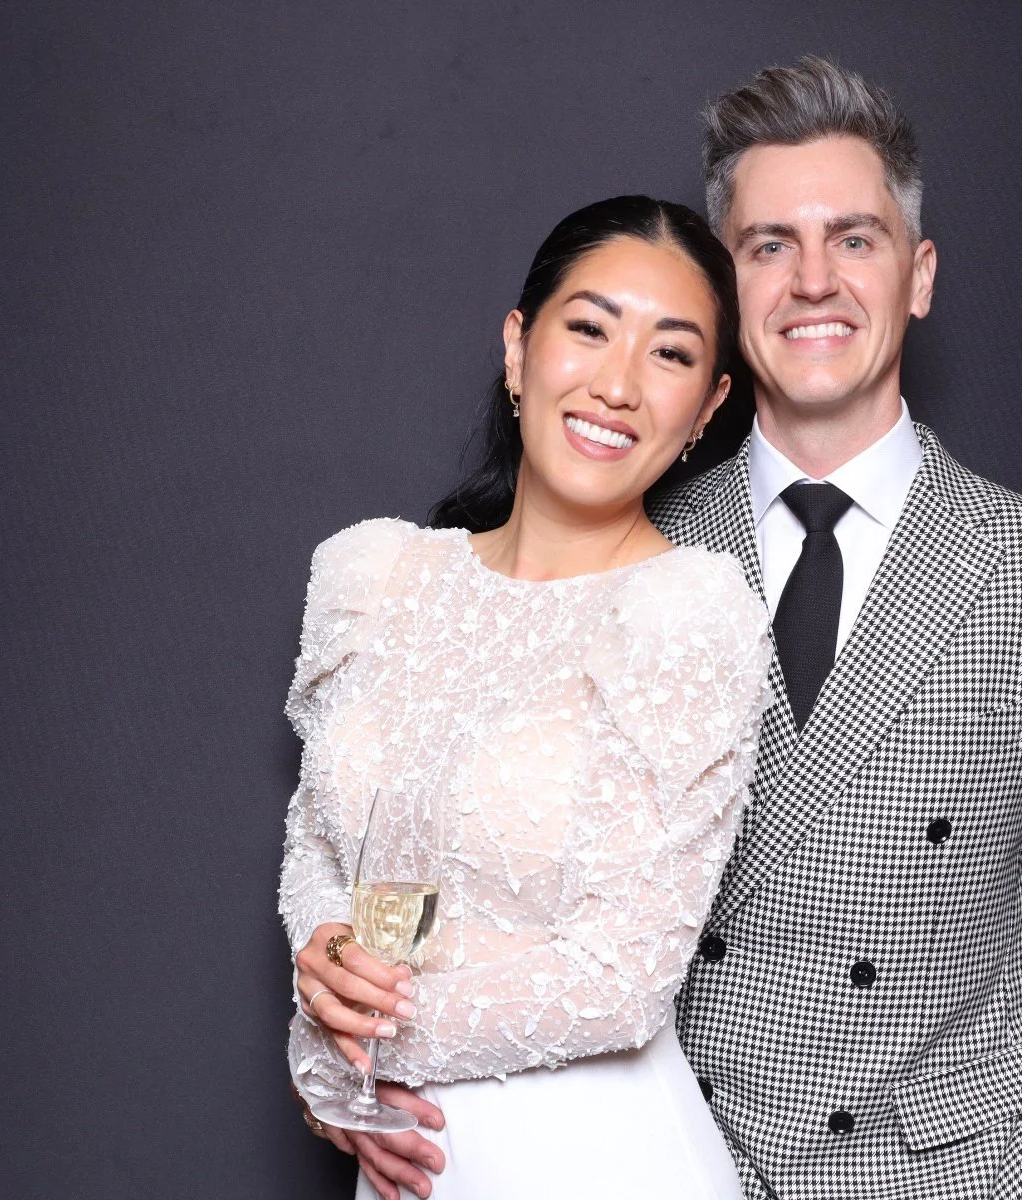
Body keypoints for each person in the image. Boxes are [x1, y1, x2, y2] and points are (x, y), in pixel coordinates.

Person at [342, 56, 1022, 1200]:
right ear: (726, 289)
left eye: (856, 238)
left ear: (919, 273)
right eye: (769, 246)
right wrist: (347, 1015)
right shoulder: (629, 550)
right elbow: (450, 838)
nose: (814, 282)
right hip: (641, 1161)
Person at [280, 195, 773, 1199]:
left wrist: (352, 1046)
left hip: (595, 1158)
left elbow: (622, 978)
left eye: (669, 355)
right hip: (412, 1162)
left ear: (708, 408)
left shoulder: (685, 615)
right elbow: (343, 858)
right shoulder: (379, 580)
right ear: (519, 346)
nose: (618, 384)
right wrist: (330, 974)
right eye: (589, 329)